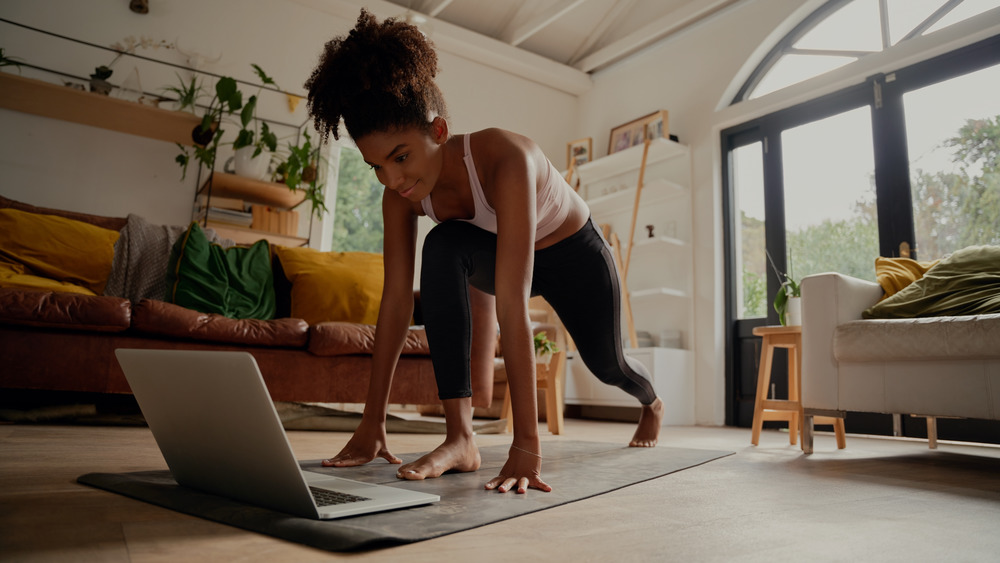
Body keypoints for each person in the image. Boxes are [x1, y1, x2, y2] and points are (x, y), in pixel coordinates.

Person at [305, 9, 664, 495]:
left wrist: (527, 444)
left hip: (573, 254)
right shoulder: (400, 195)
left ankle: (652, 403)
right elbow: (393, 303)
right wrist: (372, 422)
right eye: (376, 166)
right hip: (500, 256)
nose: (393, 180)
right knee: (443, 245)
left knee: (609, 365)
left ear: (438, 130)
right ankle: (461, 438)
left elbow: (512, 306)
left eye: (401, 157)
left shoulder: (505, 158)